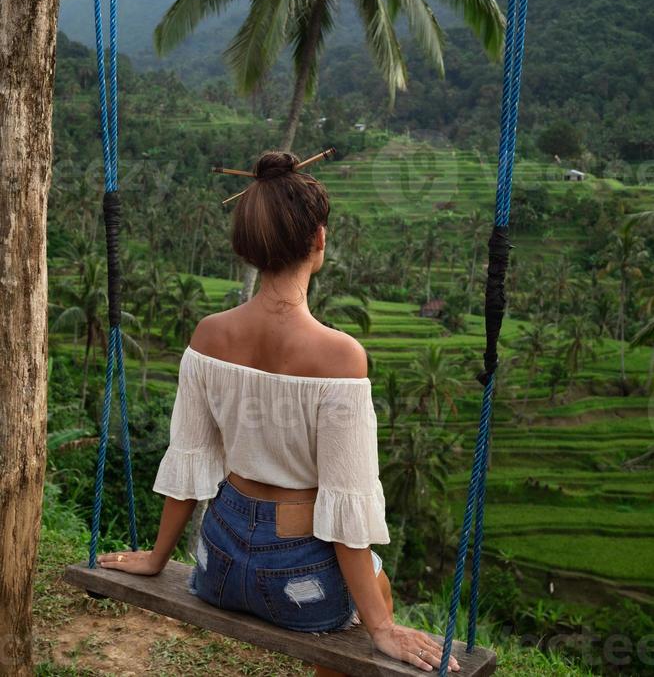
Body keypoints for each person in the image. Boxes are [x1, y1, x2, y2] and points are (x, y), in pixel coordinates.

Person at [98, 151, 459, 675]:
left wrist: (158, 558)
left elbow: (190, 460)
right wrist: (380, 628)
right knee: (377, 586)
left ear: (248, 246)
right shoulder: (340, 357)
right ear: (320, 239)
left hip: (215, 566)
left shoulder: (208, 335)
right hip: (297, 583)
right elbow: (344, 507)